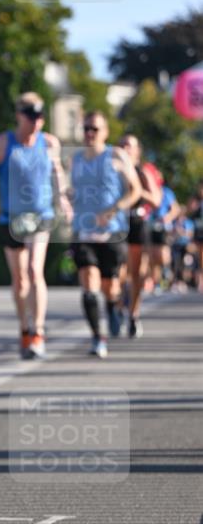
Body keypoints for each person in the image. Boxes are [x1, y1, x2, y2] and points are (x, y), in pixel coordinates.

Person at [0, 92, 71, 359]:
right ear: (19, 115)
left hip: (41, 215)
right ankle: (24, 327)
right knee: (19, 278)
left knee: (35, 270)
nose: (36, 122)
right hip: (11, 219)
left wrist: (64, 201)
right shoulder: (2, 143)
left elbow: (58, 174)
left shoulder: (48, 143)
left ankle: (38, 331)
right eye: (31, 116)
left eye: (40, 116)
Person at [70, 112, 141, 358]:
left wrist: (114, 209)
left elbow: (135, 190)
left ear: (105, 132)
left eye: (95, 129)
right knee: (89, 282)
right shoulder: (76, 159)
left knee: (109, 287)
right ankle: (97, 337)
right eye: (86, 128)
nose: (90, 133)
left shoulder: (117, 156)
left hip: (111, 232)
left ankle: (113, 306)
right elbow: (70, 191)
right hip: (83, 230)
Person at [116, 135, 162, 337]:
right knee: (117, 271)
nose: (125, 148)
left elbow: (156, 201)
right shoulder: (112, 170)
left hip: (136, 222)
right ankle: (117, 308)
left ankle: (133, 314)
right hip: (116, 223)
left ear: (137, 151)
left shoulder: (142, 171)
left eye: (129, 145)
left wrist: (138, 191)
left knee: (136, 273)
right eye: (122, 144)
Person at [148, 184, 179, 292]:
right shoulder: (147, 189)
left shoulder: (167, 192)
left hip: (164, 228)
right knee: (153, 257)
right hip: (150, 227)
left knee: (163, 256)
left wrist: (167, 217)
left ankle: (168, 275)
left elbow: (175, 209)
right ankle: (156, 282)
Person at [186, 179, 203, 292]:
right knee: (199, 258)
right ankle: (200, 281)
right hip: (198, 233)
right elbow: (189, 212)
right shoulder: (196, 201)